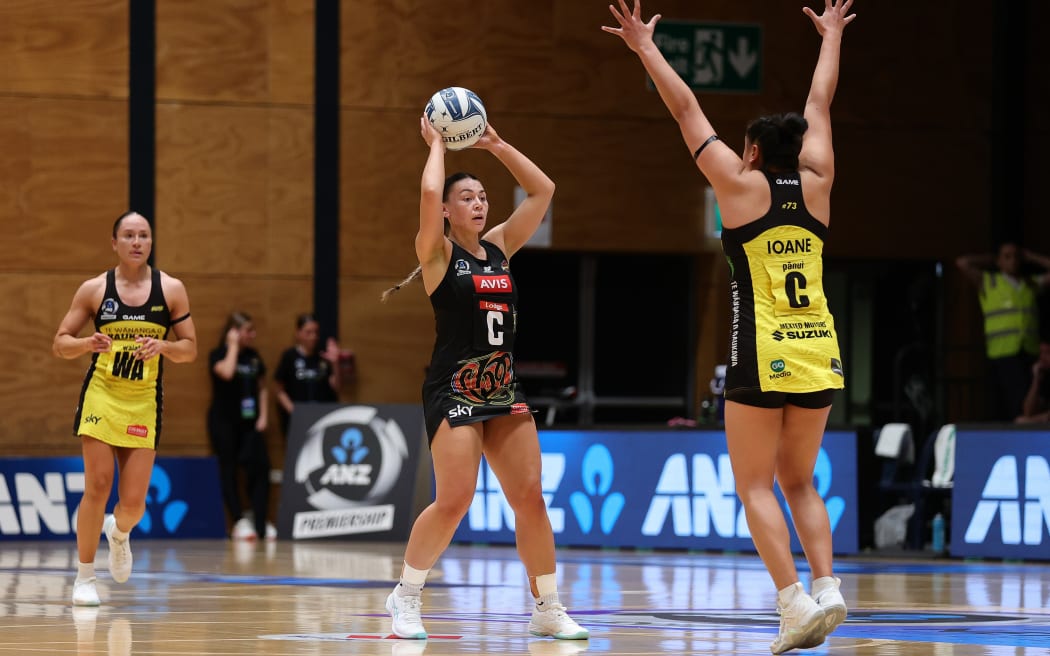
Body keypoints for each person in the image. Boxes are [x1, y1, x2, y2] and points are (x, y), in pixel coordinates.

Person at [604, 0, 853, 652]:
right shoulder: (820, 182)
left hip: (762, 352)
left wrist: (643, 48)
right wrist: (829, 37)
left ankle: (793, 602)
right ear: (795, 152)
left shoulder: (738, 190)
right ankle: (827, 586)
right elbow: (820, 104)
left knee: (753, 483)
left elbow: (687, 112)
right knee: (800, 479)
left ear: (750, 151)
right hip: (819, 351)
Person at [377, 117, 588, 641]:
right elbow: (429, 189)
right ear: (448, 211)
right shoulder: (437, 253)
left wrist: (496, 144)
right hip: (453, 386)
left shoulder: (499, 247)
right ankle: (405, 595)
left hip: (502, 385)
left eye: (482, 196)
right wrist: (437, 145)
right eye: (466, 197)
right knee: (454, 500)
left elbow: (544, 190)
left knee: (531, 496)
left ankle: (547, 606)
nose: (478, 203)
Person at [53, 211, 197, 606]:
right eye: (129, 235)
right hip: (102, 396)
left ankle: (119, 533)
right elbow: (60, 342)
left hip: (142, 403)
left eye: (144, 235)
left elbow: (190, 349)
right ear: (113, 242)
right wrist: (86, 344)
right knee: (97, 485)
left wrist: (165, 346)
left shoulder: (171, 289)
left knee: (132, 505)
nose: (137, 242)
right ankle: (84, 576)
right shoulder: (95, 289)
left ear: (151, 243)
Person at [956, 242, 1050, 420]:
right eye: (1007, 256)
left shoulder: (1029, 283)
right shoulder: (990, 282)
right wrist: (989, 258)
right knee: (1011, 403)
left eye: (1016, 256)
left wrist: (1031, 256)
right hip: (1002, 352)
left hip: (1028, 351)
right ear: (999, 261)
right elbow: (962, 263)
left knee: (1029, 402)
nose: (1013, 260)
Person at [207, 311, 275, 541]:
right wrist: (233, 346)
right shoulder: (218, 355)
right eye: (248, 330)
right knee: (228, 470)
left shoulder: (254, 357)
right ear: (234, 332)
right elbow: (226, 373)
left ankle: (259, 520)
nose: (252, 335)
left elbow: (263, 387)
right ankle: (237, 521)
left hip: (250, 423)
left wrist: (263, 416)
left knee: (259, 468)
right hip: (224, 422)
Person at [273, 313, 342, 441]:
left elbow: (336, 387)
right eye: (308, 332)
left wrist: (335, 364)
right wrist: (294, 411)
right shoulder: (289, 356)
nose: (313, 336)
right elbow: (278, 390)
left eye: (316, 332)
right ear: (298, 333)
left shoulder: (323, 355)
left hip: (321, 417)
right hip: (297, 418)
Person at [1015, 342, 1050, 424]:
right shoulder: (1044, 376)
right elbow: (1028, 411)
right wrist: (1036, 380)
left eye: (1047, 353)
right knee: (1020, 421)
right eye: (1041, 353)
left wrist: (1042, 418)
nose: (1042, 357)